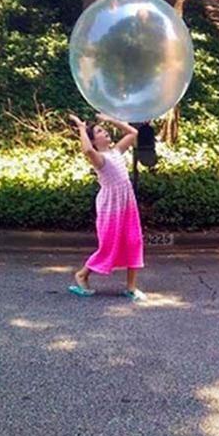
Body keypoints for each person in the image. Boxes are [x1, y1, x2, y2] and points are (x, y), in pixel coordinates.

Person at [68, 113, 146, 301]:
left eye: (103, 129)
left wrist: (111, 119)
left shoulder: (116, 152)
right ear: (94, 140)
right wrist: (81, 128)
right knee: (109, 245)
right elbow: (87, 150)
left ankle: (131, 287)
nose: (105, 132)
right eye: (99, 132)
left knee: (134, 241)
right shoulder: (99, 159)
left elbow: (133, 133)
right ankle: (82, 275)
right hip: (110, 208)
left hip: (127, 205)